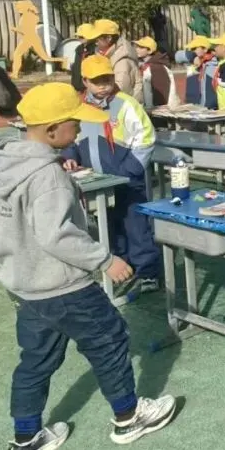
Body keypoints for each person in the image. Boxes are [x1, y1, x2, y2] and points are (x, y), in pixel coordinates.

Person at [0, 82, 176, 450]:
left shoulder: (6, 167)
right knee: (109, 339)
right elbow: (57, 235)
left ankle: (26, 438)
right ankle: (128, 416)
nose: (81, 130)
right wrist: (104, 260)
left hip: (27, 285)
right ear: (53, 130)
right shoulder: (47, 176)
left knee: (36, 360)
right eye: (75, 123)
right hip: (63, 284)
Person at [62, 55, 161, 294]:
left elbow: (146, 138)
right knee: (110, 227)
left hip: (128, 180)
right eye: (97, 81)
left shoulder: (126, 104)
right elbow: (71, 137)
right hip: (98, 182)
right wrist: (70, 155)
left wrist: (129, 170)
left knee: (136, 227)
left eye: (107, 79)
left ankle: (148, 272)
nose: (103, 85)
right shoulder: (79, 107)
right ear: (85, 81)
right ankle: (122, 268)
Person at [92, 19, 143, 101]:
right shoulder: (108, 55)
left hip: (123, 105)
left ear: (108, 38)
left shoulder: (122, 62)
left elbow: (120, 90)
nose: (95, 43)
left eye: (97, 40)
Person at [133, 36, 180, 109]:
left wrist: (149, 108)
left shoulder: (155, 67)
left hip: (156, 109)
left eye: (141, 47)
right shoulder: (146, 64)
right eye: (137, 46)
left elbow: (156, 93)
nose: (137, 49)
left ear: (149, 51)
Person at [182, 37, 217, 108]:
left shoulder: (214, 64)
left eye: (194, 48)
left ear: (205, 49)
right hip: (192, 106)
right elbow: (177, 56)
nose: (192, 51)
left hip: (209, 109)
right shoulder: (192, 61)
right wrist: (193, 57)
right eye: (191, 49)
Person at [70, 24, 99, 93]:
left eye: (82, 36)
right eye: (78, 36)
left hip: (89, 87)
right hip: (77, 85)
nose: (79, 38)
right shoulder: (79, 49)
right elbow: (77, 67)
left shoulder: (96, 50)